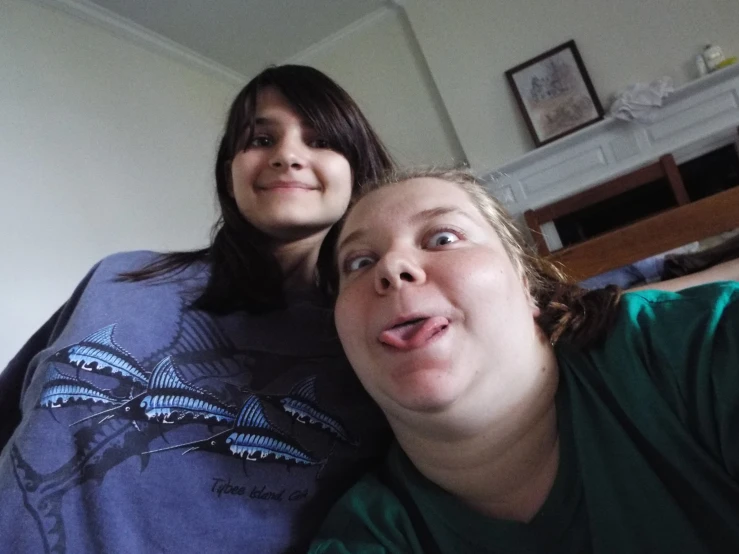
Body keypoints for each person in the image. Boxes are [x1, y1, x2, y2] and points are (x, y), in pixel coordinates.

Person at [0, 65, 394, 554]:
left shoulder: (375, 332)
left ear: (358, 171)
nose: (287, 155)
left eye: (320, 140)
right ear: (230, 173)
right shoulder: (117, 278)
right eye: (259, 138)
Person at [309, 167, 739, 554]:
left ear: (525, 282)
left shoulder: (685, 347)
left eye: (442, 238)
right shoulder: (365, 536)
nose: (392, 267)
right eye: (360, 262)